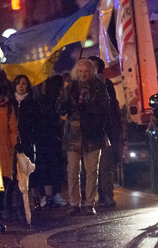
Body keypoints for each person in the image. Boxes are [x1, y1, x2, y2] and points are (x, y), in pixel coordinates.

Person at [57, 59, 110, 216]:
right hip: (73, 134)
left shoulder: (99, 87)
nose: (83, 74)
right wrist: (64, 105)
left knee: (92, 170)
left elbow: (104, 107)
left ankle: (89, 203)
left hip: (92, 133)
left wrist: (87, 107)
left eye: (86, 71)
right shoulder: (71, 88)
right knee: (72, 170)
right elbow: (59, 105)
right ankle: (75, 203)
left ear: (91, 72)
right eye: (80, 71)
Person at [9, 75, 47, 210]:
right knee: (12, 174)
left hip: (27, 143)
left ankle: (29, 201)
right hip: (11, 144)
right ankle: (13, 205)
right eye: (18, 83)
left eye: (24, 84)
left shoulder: (32, 104)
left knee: (27, 173)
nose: (21, 86)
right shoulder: (9, 103)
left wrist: (32, 139)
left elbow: (40, 125)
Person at [88, 56, 122, 208]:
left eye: (96, 65)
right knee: (89, 168)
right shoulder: (81, 86)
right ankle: (88, 198)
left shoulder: (106, 84)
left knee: (105, 165)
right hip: (88, 130)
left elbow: (112, 106)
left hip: (106, 128)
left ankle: (107, 195)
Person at [0, 74, 19, 232]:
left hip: (2, 150)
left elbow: (12, 129)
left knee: (0, 185)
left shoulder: (6, 105)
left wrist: (15, 145)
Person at [37, 75, 67, 208]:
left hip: (51, 138)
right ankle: (50, 195)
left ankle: (51, 195)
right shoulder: (46, 101)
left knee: (52, 167)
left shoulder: (55, 101)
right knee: (50, 167)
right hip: (47, 138)